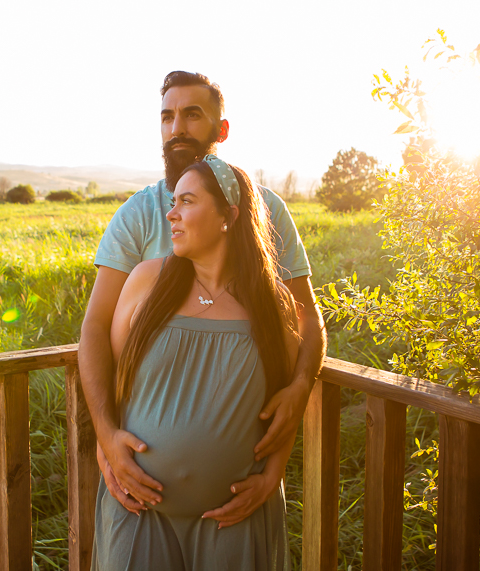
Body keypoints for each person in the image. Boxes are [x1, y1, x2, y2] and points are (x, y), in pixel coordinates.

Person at [78, 71, 325, 515]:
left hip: (240, 494)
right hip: (143, 497)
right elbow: (95, 327)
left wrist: (302, 387)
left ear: (221, 129)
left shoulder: (265, 211)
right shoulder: (138, 215)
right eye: (167, 117)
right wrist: (106, 431)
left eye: (192, 115)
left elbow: (307, 319)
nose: (177, 129)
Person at [91, 156, 298, 570]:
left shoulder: (271, 302)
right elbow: (115, 379)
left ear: (228, 216)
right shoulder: (147, 280)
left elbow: (285, 401)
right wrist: (106, 444)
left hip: (232, 519)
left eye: (187, 201)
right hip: (138, 510)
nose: (172, 213)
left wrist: (272, 474)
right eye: (172, 201)